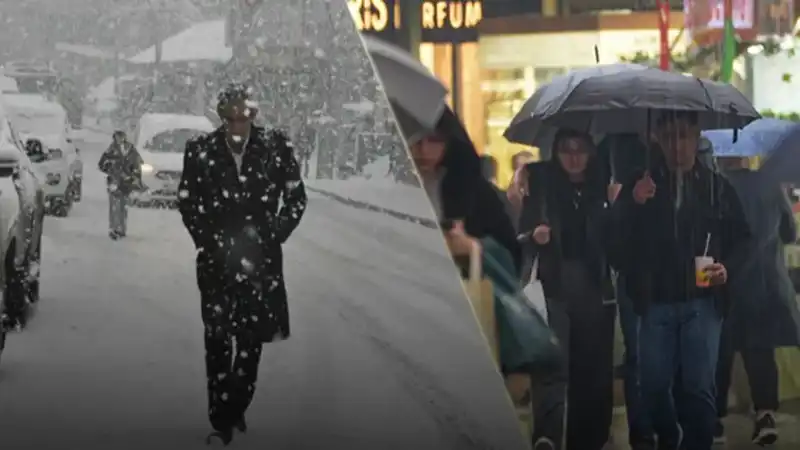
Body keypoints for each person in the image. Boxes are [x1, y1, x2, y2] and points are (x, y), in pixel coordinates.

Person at [611, 111, 750, 450]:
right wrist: (631, 203)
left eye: (684, 135)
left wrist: (727, 268)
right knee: (653, 384)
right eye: (669, 136)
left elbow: (744, 239)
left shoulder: (716, 186)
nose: (677, 144)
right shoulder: (641, 184)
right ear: (656, 138)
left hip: (702, 301)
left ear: (696, 137)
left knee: (698, 386)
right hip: (654, 300)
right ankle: (668, 436)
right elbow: (614, 244)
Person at [177, 84, 307, 445]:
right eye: (230, 117)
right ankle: (221, 419)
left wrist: (273, 234)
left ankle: (236, 406)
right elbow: (187, 201)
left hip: (260, 263)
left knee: (250, 341)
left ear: (253, 115)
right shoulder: (200, 151)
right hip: (216, 262)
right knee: (217, 339)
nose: (237, 124)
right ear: (222, 116)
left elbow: (296, 198)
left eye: (243, 116)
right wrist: (208, 240)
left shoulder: (276, 149)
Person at [518, 129, 617, 450]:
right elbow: (520, 231)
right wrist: (535, 234)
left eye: (580, 150)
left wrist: (618, 207)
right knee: (552, 363)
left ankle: (589, 438)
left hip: (595, 285)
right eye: (565, 150)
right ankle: (547, 435)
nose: (573, 157)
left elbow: (618, 240)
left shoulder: (605, 186)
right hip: (554, 282)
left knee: (593, 367)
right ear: (555, 153)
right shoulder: (542, 186)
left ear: (591, 153)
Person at [713, 156, 800, 446]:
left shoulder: (713, 186)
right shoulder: (769, 184)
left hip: (724, 282)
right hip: (764, 283)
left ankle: (715, 423)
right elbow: (790, 232)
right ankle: (765, 415)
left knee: (718, 354)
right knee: (760, 351)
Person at [411, 108, 520, 275]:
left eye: (434, 140)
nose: (424, 150)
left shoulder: (471, 188)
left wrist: (472, 247)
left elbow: (509, 255)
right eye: (415, 140)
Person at [98, 130, 143, 240]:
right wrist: (110, 169)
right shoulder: (111, 150)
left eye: (121, 137)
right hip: (114, 181)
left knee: (123, 206)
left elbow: (138, 163)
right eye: (117, 137)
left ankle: (122, 228)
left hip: (126, 182)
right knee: (114, 205)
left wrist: (133, 175)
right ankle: (114, 228)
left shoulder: (130, 149)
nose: (119, 139)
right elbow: (101, 164)